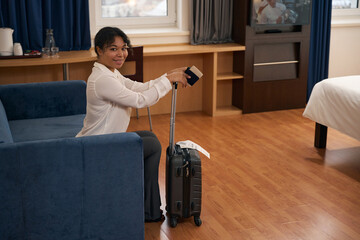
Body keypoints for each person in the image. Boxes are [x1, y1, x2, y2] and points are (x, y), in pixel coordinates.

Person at [76, 26, 190, 222]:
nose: (121, 54)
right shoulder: (103, 79)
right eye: (113, 49)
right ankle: (149, 211)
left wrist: (168, 77)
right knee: (152, 146)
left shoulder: (111, 73)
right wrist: (168, 80)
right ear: (99, 51)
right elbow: (140, 100)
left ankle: (148, 207)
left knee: (150, 137)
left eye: (124, 47)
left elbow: (140, 87)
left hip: (105, 141)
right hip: (97, 147)